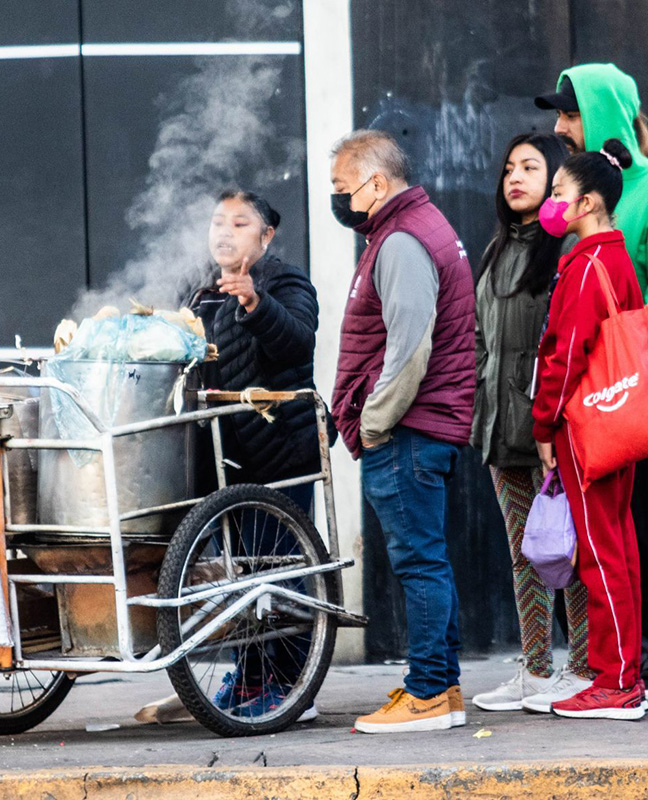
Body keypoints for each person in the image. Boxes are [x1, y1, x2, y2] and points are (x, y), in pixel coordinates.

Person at [536, 64, 648, 703]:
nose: (560, 127)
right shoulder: (584, 192)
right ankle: (619, 666)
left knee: (645, 528)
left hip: (625, 389)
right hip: (592, 387)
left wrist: (612, 351)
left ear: (601, 113)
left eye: (571, 115)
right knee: (613, 535)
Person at [329, 130, 475, 733]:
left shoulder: (402, 240)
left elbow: (409, 347)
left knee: (419, 564)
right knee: (428, 561)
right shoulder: (415, 226)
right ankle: (441, 686)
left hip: (407, 430)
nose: (338, 199)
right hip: (421, 426)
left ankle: (427, 696)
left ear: (377, 183)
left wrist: (373, 422)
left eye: (343, 188)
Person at [469, 133, 599, 715]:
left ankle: (583, 668)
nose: (515, 177)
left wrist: (554, 422)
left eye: (530, 166)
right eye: (508, 168)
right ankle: (537, 668)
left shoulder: (563, 251)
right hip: (501, 427)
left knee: (566, 551)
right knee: (527, 551)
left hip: (552, 430)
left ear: (557, 181)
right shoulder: (498, 249)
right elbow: (480, 341)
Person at [184, 189, 325, 719]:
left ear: (265, 236)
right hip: (228, 457)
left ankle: (291, 690)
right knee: (242, 579)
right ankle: (249, 680)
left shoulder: (283, 281)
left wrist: (255, 303)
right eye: (218, 221)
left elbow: (298, 341)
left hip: (281, 454)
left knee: (280, 571)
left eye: (240, 223)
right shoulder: (202, 289)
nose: (224, 231)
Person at [531, 139, 648, 720]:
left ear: (591, 203)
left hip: (587, 426)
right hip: (618, 420)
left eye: (559, 193)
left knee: (600, 556)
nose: (552, 204)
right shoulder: (616, 258)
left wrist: (544, 426)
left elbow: (563, 356)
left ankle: (616, 681)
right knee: (617, 547)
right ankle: (622, 674)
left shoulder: (587, 265)